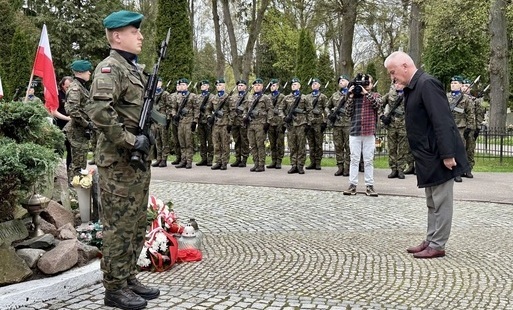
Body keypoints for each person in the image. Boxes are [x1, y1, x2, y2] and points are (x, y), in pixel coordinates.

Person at [85, 10, 160, 309]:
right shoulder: (109, 69)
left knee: (136, 221)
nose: (140, 36)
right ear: (117, 36)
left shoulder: (132, 70)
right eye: (134, 32)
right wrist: (131, 141)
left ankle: (128, 276)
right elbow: (100, 112)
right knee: (118, 225)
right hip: (118, 161)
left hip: (136, 160)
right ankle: (114, 288)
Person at [384, 51, 469, 259]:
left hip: (439, 154)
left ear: (405, 66)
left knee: (441, 201)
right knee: (432, 201)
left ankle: (438, 244)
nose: (392, 77)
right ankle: (431, 239)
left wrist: (448, 154)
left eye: (393, 72)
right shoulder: (413, 87)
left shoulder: (427, 84)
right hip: (427, 155)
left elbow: (442, 121)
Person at [343, 74, 381, 196]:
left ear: (371, 84)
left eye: (368, 83)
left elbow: (377, 105)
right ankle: (352, 185)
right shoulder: (354, 97)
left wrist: (366, 94)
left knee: (368, 160)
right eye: (364, 83)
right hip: (355, 131)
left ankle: (369, 186)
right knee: (354, 159)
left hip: (369, 132)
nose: (366, 85)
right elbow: (347, 112)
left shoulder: (375, 95)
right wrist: (350, 95)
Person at [63, 60, 93, 184]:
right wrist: (87, 124)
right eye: (88, 71)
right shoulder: (75, 88)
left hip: (80, 131)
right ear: (80, 72)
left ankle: (77, 188)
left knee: (80, 162)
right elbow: (73, 111)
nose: (90, 73)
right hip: (76, 132)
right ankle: (74, 191)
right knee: (77, 164)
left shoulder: (80, 86)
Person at [280, 77, 312, 174]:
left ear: (299, 86)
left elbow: (310, 111)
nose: (293, 86)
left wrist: (308, 123)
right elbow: (280, 109)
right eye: (292, 84)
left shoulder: (304, 97)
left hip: (301, 124)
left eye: (295, 84)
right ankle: (294, 165)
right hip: (290, 125)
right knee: (292, 146)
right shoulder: (286, 98)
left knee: (301, 145)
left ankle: (300, 165)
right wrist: (284, 118)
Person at [447, 75, 475, 182]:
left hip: (460, 127)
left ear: (460, 85)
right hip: (448, 126)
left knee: (460, 149)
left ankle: (458, 171)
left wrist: (470, 127)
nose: (453, 85)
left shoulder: (465, 98)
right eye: (452, 83)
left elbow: (470, 114)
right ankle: (451, 171)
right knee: (449, 149)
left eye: (455, 83)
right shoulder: (446, 96)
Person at [379, 81, 408, 179]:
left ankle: (401, 169)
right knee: (392, 148)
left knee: (403, 149)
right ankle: (393, 169)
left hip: (404, 125)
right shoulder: (389, 95)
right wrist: (382, 116)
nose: (398, 85)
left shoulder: (408, 94)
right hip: (391, 125)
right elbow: (379, 104)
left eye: (400, 83)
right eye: (396, 83)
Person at [243, 78, 271, 172]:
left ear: (262, 87)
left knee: (260, 145)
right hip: (251, 124)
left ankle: (261, 164)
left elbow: (270, 110)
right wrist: (245, 117)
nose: (257, 87)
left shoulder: (265, 98)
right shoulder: (250, 97)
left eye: (258, 85)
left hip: (260, 124)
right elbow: (245, 109)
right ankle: (255, 163)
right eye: (255, 85)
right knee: (253, 145)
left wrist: (268, 122)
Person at [327, 75, 351, 176]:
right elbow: (327, 107)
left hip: (348, 124)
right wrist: (329, 115)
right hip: (337, 124)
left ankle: (347, 168)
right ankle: (340, 167)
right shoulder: (335, 95)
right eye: (339, 81)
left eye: (343, 80)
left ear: (348, 82)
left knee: (349, 147)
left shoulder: (352, 94)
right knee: (338, 147)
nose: (341, 82)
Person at [462, 79, 485, 178]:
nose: (465, 87)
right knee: (461, 148)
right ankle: (460, 168)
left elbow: (479, 114)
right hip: (461, 126)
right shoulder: (459, 99)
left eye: (467, 86)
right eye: (463, 85)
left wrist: (477, 127)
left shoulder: (474, 100)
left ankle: (468, 169)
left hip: (472, 128)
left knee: (470, 149)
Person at [173, 78, 198, 169]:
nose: (182, 86)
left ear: (187, 85)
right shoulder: (178, 96)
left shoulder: (192, 96)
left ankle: (189, 161)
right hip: (180, 122)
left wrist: (195, 121)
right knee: (182, 142)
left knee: (188, 142)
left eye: (184, 84)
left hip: (189, 121)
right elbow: (174, 108)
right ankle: (183, 160)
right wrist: (174, 115)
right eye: (181, 85)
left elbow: (196, 109)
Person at [305, 78, 328, 170]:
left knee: (318, 143)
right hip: (309, 123)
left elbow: (326, 109)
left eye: (315, 83)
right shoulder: (307, 97)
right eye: (312, 84)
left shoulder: (323, 97)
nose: (313, 85)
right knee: (311, 143)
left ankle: (318, 162)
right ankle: (312, 162)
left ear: (319, 85)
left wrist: (325, 121)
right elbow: (305, 110)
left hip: (318, 123)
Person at [209, 78, 232, 170]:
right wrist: (208, 117)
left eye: (220, 85)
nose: (218, 87)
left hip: (225, 124)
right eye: (217, 85)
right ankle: (218, 161)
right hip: (216, 124)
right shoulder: (213, 98)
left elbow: (232, 111)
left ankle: (224, 162)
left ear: (224, 86)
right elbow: (208, 109)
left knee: (225, 144)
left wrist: (230, 123)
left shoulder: (228, 97)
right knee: (216, 144)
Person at [150, 78, 172, 168]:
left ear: (161, 83)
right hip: (155, 118)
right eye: (156, 82)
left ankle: (164, 159)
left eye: (159, 82)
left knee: (164, 139)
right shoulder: (152, 93)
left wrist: (168, 118)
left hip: (162, 118)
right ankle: (158, 158)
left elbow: (170, 106)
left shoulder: (165, 94)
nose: (157, 84)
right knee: (157, 140)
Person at [229, 80, 250, 167]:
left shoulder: (249, 97)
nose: (240, 87)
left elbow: (249, 109)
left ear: (245, 87)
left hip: (243, 122)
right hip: (234, 121)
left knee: (244, 141)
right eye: (238, 85)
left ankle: (244, 159)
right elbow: (230, 108)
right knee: (236, 140)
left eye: (242, 85)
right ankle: (238, 158)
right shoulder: (233, 97)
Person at [266, 79, 286, 169]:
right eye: (271, 86)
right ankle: (273, 160)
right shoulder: (268, 97)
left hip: (279, 122)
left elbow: (284, 109)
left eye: (274, 85)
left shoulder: (282, 96)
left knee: (280, 143)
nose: (272, 87)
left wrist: (284, 123)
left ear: (277, 86)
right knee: (272, 143)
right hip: (270, 122)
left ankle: (279, 161)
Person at [54, 76, 73, 170]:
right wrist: (67, 118)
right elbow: (53, 111)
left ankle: (70, 171)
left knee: (71, 149)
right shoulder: (58, 95)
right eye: (67, 87)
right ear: (62, 85)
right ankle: (56, 171)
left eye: (70, 87)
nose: (69, 89)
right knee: (58, 149)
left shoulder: (73, 94)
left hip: (71, 127)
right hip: (59, 125)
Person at [195, 80, 215, 166]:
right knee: (202, 141)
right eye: (201, 85)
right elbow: (195, 108)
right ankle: (203, 158)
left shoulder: (212, 97)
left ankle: (210, 159)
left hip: (208, 122)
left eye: (204, 85)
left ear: (208, 86)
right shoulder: (198, 97)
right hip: (200, 121)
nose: (202, 86)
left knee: (210, 141)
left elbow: (214, 109)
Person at [168, 81, 182, 165]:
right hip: (174, 119)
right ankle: (178, 157)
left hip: (182, 120)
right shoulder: (172, 95)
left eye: (179, 85)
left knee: (182, 140)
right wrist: (172, 115)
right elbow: (170, 106)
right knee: (175, 140)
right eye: (176, 85)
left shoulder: (186, 96)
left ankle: (183, 158)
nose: (177, 86)